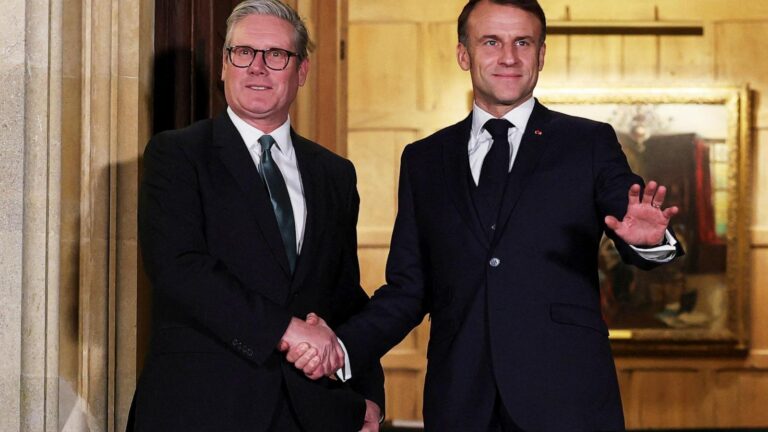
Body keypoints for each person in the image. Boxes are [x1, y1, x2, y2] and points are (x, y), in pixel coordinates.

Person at [286, 0, 684, 430]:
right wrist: (341, 347)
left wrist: (650, 243)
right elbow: (408, 290)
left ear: (541, 55)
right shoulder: (424, 159)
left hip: (567, 398)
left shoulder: (587, 143)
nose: (508, 57)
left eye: (523, 42)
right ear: (464, 54)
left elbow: (632, 219)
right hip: (461, 400)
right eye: (491, 42)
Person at [130, 0, 383, 430]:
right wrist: (287, 329)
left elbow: (345, 295)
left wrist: (369, 397)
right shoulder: (177, 154)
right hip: (201, 409)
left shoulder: (334, 174)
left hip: (309, 413)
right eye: (243, 52)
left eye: (276, 55)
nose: (257, 68)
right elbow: (179, 269)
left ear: (301, 71)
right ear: (224, 65)